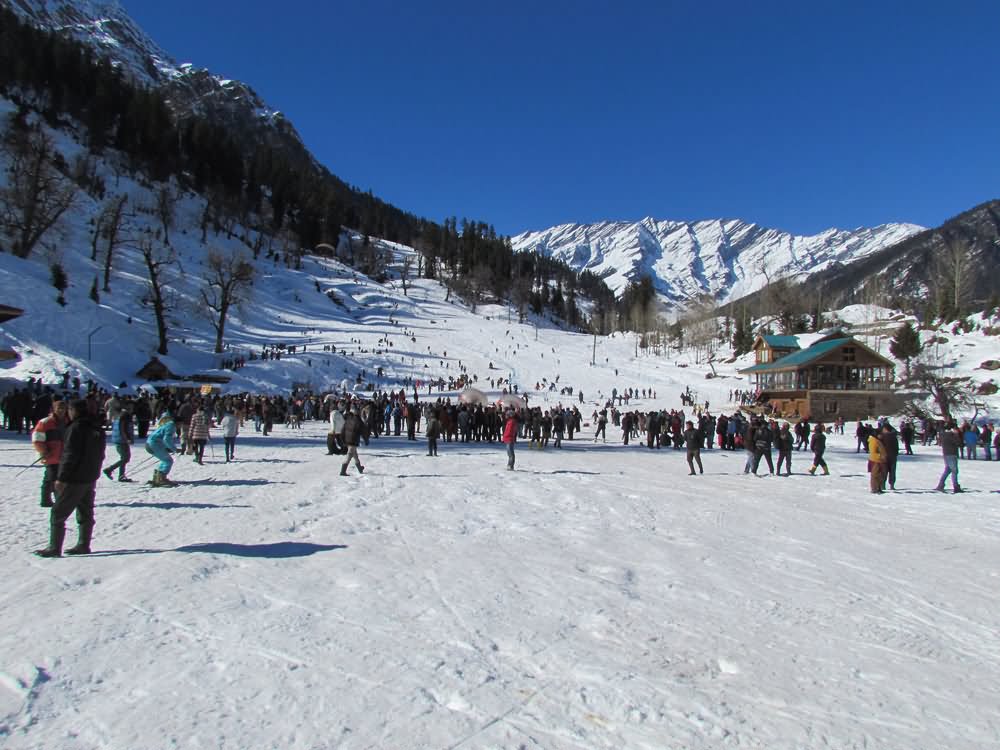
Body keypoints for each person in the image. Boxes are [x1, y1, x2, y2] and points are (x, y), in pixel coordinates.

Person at [34, 399, 106, 557]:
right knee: (85, 511)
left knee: (58, 512)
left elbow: (69, 455)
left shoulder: (76, 428)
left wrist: (62, 477)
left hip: (75, 477)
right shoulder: (96, 426)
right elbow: (101, 453)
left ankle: (54, 547)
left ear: (74, 411)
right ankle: (84, 544)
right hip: (90, 475)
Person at [31, 394, 68, 507]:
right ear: (53, 409)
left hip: (63, 454)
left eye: (63, 408)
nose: (61, 410)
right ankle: (51, 500)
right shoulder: (45, 422)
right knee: (51, 478)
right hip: (50, 454)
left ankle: (52, 499)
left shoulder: (68, 421)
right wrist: (43, 451)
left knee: (55, 478)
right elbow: (37, 439)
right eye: (59, 408)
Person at [103, 402, 134, 481]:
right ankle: (109, 469)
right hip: (121, 440)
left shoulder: (120, 415)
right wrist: (127, 438)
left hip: (118, 439)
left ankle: (121, 475)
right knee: (125, 458)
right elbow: (122, 428)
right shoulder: (125, 416)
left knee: (124, 458)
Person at [145, 411, 178, 487]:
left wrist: (166, 448)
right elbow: (166, 440)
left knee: (164, 460)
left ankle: (157, 477)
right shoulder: (171, 426)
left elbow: (160, 437)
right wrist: (174, 449)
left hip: (150, 443)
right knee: (168, 460)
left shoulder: (166, 424)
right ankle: (161, 479)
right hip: (154, 444)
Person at [935, 423, 963, 493]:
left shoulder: (943, 435)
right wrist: (957, 435)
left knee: (948, 470)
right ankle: (956, 486)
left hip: (946, 454)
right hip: (952, 454)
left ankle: (941, 484)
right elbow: (959, 443)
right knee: (954, 470)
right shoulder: (951, 436)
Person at [340, 406, 365, 476]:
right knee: (349, 455)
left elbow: (343, 429)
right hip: (353, 440)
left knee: (355, 454)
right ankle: (343, 471)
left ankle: (360, 468)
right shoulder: (358, 420)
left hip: (348, 440)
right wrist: (366, 439)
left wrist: (342, 439)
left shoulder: (348, 419)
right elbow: (363, 430)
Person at [867, 429, 888, 494]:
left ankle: (878, 488)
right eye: (880, 434)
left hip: (880, 461)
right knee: (875, 475)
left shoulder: (877, 440)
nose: (882, 436)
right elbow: (873, 452)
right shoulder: (874, 441)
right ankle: (875, 489)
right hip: (876, 460)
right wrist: (882, 456)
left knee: (880, 475)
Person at [881, 423, 900, 490]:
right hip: (893, 456)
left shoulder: (883, 437)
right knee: (892, 471)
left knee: (884, 471)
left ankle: (883, 485)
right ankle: (892, 485)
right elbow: (897, 447)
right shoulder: (893, 436)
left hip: (885, 456)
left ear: (886, 429)